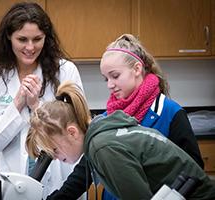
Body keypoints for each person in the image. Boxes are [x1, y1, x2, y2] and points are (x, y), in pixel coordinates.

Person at [46, 34, 205, 200]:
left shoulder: (170, 113)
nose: (109, 85)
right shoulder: (108, 118)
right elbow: (83, 171)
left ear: (137, 69)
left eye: (115, 76)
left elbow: (193, 172)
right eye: (106, 79)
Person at [26, 81, 215, 200]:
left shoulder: (103, 147)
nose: (57, 158)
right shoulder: (103, 133)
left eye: (55, 150)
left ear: (72, 132)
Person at [0, 2, 84, 199]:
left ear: (46, 38)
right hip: (14, 183)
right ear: (9, 37)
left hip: (62, 180)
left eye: (37, 39)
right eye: (22, 39)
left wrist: (37, 107)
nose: (30, 47)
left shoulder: (66, 71)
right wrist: (17, 104)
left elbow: (77, 133)